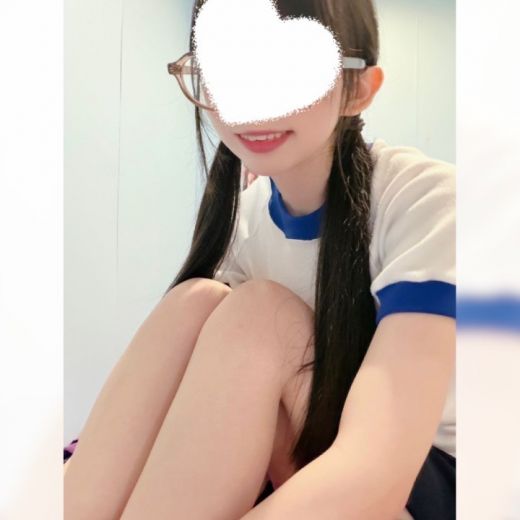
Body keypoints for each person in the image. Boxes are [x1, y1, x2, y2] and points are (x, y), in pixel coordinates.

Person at [64, 1, 455, 519]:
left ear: (358, 89)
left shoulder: (425, 199)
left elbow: (376, 473)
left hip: (419, 486)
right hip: (312, 464)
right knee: (195, 299)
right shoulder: (246, 221)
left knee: (260, 317)